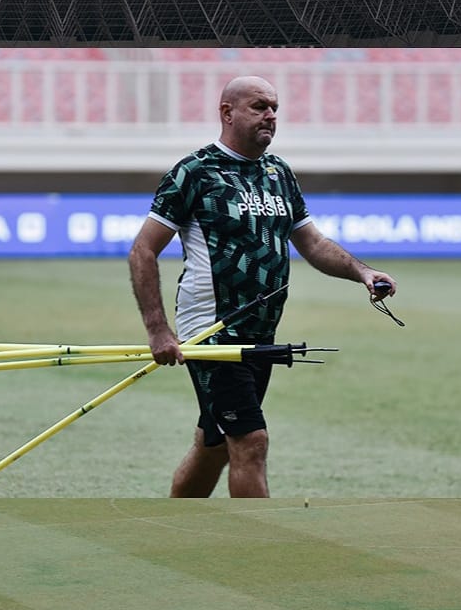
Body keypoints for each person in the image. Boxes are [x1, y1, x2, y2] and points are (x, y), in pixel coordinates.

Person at [127, 75, 398, 498]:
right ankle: (257, 547)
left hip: (260, 332)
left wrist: (362, 272)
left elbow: (313, 243)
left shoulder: (279, 172)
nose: (270, 115)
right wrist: (158, 330)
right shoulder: (194, 172)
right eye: (259, 106)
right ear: (227, 112)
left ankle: (173, 524)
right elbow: (143, 250)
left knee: (215, 443)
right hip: (213, 330)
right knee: (250, 441)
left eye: (274, 107)